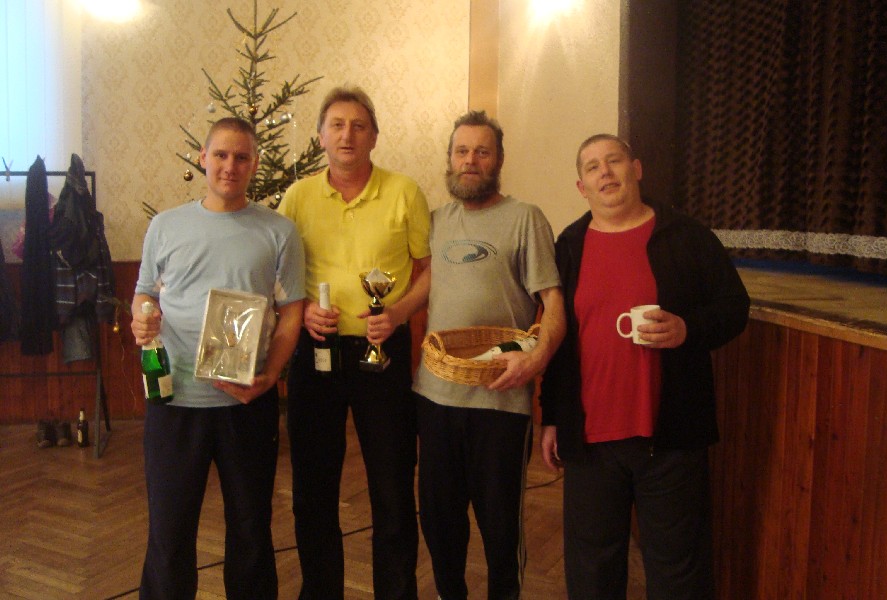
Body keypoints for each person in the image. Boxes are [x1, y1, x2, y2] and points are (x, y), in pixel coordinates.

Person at [539, 133, 750, 600]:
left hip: (671, 438)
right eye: (593, 167)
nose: (605, 172)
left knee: (678, 573)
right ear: (582, 187)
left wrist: (687, 328)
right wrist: (551, 415)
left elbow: (735, 307)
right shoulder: (568, 246)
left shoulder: (686, 236)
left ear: (636, 169)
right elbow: (556, 338)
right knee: (592, 573)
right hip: (590, 441)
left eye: (614, 160)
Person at [131, 117, 305, 600]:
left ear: (255, 163)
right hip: (174, 402)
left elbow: (292, 312)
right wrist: (142, 318)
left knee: (251, 531)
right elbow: (144, 293)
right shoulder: (165, 226)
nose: (231, 166)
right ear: (203, 158)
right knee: (169, 532)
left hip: (245, 404)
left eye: (242, 157)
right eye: (222, 155)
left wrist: (271, 375)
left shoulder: (279, 231)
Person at [277, 85, 430, 600]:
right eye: (337, 125)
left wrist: (399, 313)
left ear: (374, 137)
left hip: (382, 351)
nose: (348, 135)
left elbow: (429, 269)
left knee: (392, 485)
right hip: (315, 350)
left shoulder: (404, 192)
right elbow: (277, 273)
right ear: (321, 136)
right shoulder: (297, 197)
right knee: (312, 489)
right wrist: (302, 308)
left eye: (359, 126)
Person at [413, 110, 565, 600]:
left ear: (499, 160)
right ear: (450, 159)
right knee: (440, 523)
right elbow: (421, 286)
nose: (470, 160)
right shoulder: (436, 222)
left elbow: (553, 303)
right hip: (435, 398)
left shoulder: (525, 218)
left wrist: (536, 361)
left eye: (482, 152)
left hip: (500, 403)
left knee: (501, 530)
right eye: (462, 151)